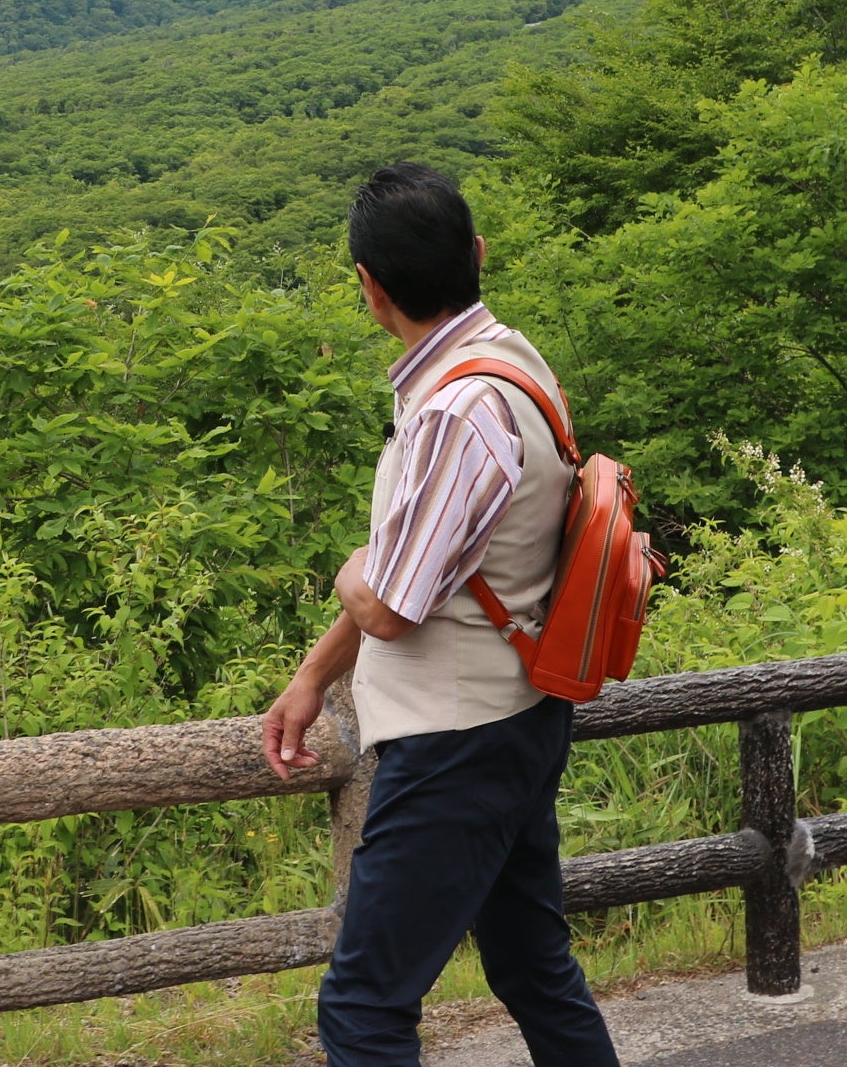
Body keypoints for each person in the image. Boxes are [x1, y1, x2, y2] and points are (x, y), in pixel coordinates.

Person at [261, 163, 619, 1067]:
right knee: (533, 967)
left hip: (456, 743)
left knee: (364, 1007)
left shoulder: (457, 409)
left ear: (370, 287)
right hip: (517, 715)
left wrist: (349, 570)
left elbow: (391, 603)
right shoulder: (511, 361)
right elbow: (439, 568)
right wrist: (313, 677)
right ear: (477, 255)